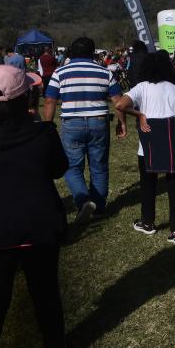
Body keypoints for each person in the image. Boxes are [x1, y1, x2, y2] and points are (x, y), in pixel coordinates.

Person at [0, 66, 70, 348]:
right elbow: (58, 168)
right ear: (24, 98)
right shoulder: (42, 132)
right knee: (44, 292)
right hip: (38, 226)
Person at [42, 37, 124, 223]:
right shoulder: (105, 72)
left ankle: (83, 199)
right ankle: (99, 207)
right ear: (93, 52)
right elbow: (118, 102)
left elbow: (49, 101)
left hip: (72, 123)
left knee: (71, 166)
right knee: (99, 166)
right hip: (99, 122)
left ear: (71, 52)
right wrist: (122, 124)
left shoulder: (60, 72)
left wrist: (47, 126)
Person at [114, 51, 175, 244]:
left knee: (148, 185)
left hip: (148, 146)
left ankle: (147, 223)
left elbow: (120, 105)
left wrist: (139, 115)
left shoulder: (141, 88)